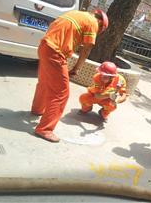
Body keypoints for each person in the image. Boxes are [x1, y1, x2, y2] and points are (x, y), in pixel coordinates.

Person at [31, 9, 109, 142]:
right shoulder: (93, 23)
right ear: (100, 23)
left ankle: (37, 109)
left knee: (44, 83)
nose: (97, 32)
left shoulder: (77, 14)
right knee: (61, 92)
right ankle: (45, 129)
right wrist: (76, 68)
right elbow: (86, 49)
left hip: (45, 46)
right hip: (55, 53)